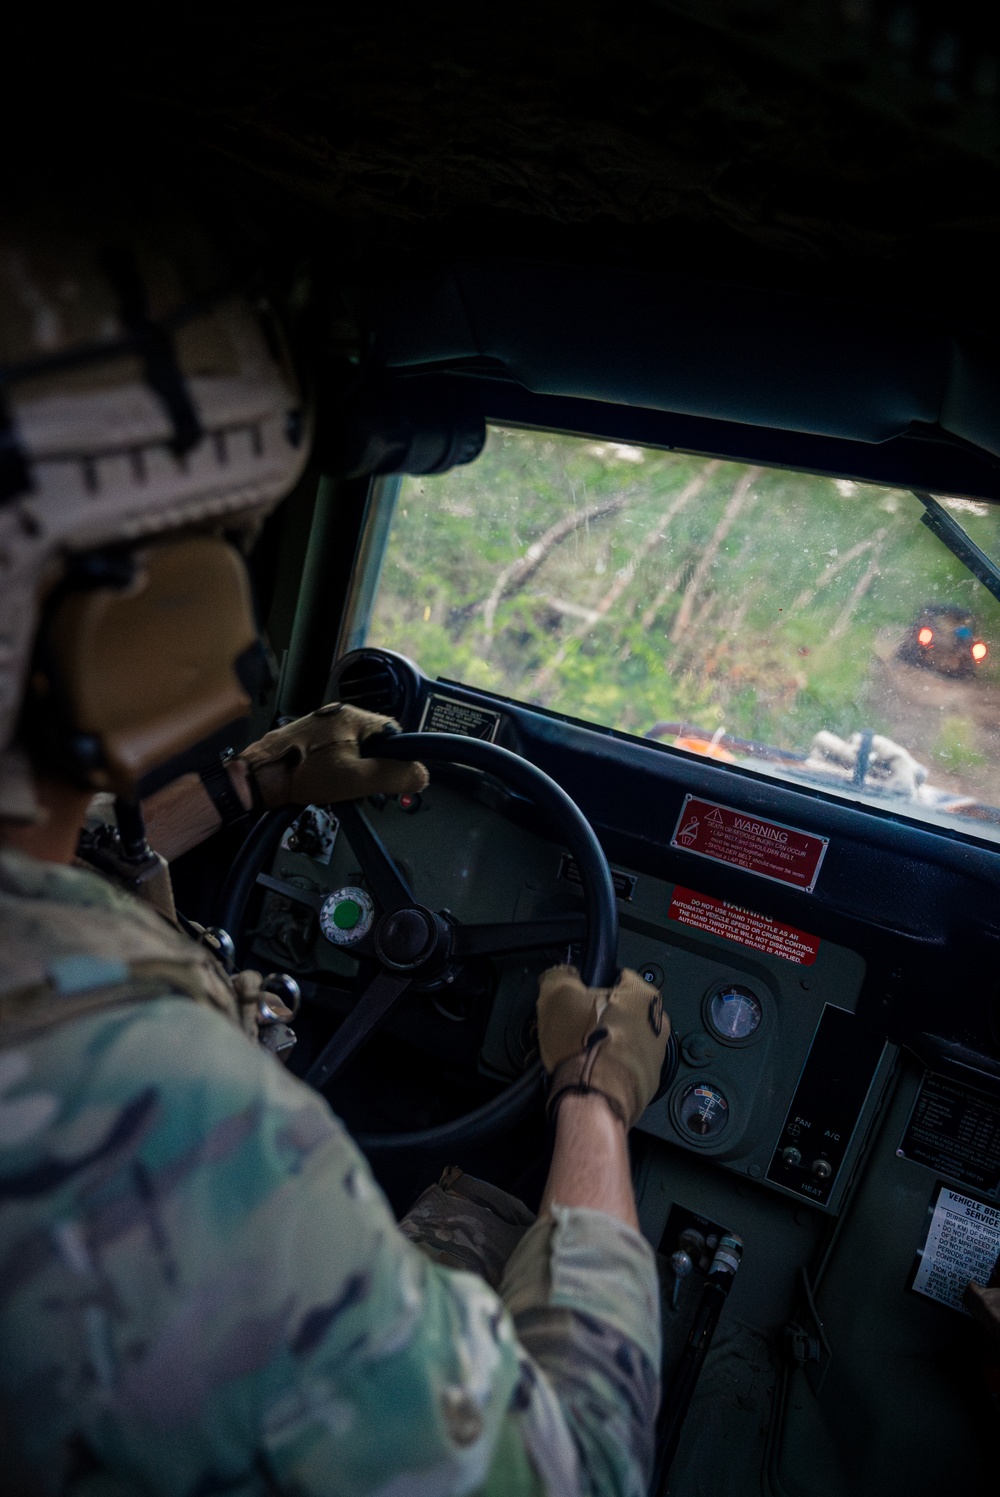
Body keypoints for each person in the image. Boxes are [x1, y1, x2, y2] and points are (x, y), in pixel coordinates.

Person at [0, 211, 669, 1496]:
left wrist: (245, 782)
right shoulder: (158, 1119)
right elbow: (576, 1465)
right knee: (480, 1210)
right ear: (155, 621)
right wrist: (592, 1097)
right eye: (227, 555)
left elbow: (56, 874)